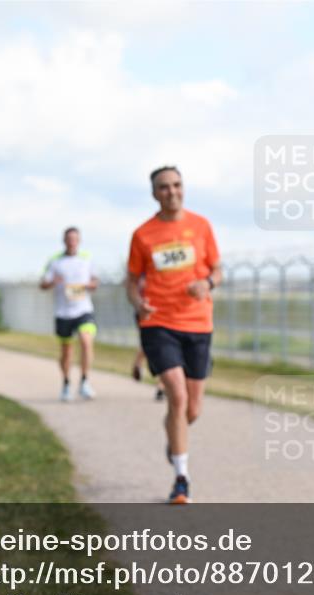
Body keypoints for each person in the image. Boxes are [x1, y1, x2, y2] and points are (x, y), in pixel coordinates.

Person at [126, 166, 222, 504]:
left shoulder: (201, 225)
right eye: (164, 187)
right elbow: (131, 280)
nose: (172, 192)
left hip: (198, 324)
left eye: (177, 185)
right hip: (159, 324)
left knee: (192, 410)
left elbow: (217, 270)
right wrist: (138, 303)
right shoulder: (143, 234)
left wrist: (206, 283)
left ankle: (174, 436)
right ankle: (181, 479)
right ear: (155, 193)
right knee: (177, 397)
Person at [39, 227, 100, 401]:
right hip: (63, 312)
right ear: (64, 241)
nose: (72, 242)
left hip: (83, 309)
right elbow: (42, 284)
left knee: (86, 341)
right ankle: (66, 383)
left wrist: (88, 285)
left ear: (79, 241)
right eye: (69, 239)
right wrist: (52, 282)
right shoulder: (55, 261)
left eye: (75, 239)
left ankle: (84, 381)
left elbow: (95, 281)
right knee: (66, 352)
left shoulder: (87, 258)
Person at [131, 274, 166, 400]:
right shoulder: (141, 272)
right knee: (153, 344)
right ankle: (138, 364)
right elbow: (130, 285)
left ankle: (161, 386)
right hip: (146, 311)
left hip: (164, 312)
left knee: (163, 346)